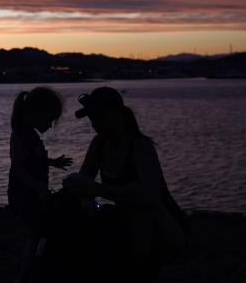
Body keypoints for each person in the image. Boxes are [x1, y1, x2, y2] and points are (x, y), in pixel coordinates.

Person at [62, 86, 189, 281]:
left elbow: (151, 196)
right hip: (128, 220)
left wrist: (98, 190)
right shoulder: (99, 143)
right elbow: (85, 181)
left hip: (162, 224)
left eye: (99, 117)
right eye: (92, 118)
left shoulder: (141, 147)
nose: (94, 123)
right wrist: (81, 193)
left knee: (141, 212)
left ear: (117, 115)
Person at [8, 87, 73, 282]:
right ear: (36, 112)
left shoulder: (30, 135)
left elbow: (32, 160)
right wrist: (36, 187)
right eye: (50, 119)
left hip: (31, 193)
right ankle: (28, 272)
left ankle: (34, 267)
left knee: (40, 232)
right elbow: (19, 167)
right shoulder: (23, 135)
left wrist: (52, 162)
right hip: (25, 195)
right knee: (38, 233)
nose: (51, 125)